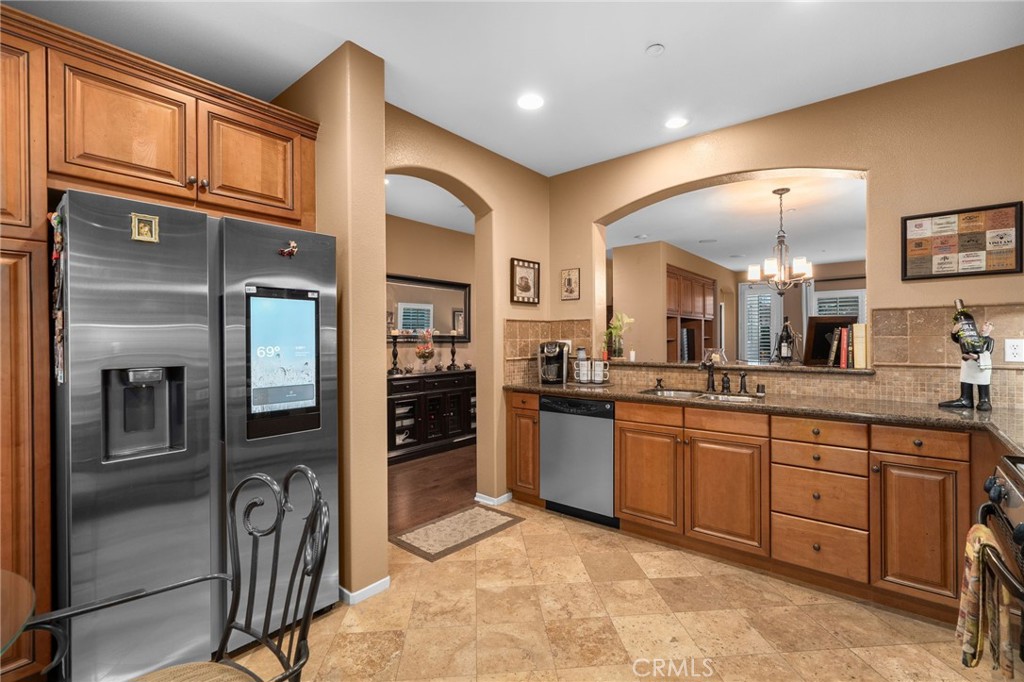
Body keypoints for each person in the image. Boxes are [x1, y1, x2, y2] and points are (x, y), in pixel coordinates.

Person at [939, 320, 994, 411]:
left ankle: (984, 400)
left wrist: (976, 357)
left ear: (992, 329)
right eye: (985, 324)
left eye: (989, 325)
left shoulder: (990, 340)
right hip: (968, 363)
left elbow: (988, 353)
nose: (986, 326)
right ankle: (965, 399)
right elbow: (958, 339)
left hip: (981, 365)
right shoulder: (973, 336)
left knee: (982, 382)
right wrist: (954, 331)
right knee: (966, 380)